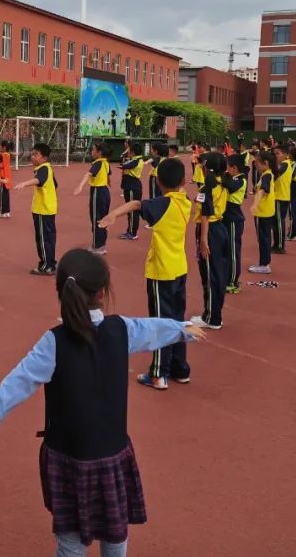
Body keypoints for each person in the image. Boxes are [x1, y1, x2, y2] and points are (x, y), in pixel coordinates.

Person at [0, 248, 205, 557]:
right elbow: (152, 328)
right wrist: (182, 329)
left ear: (59, 292)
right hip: (113, 453)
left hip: (69, 457)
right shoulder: (120, 329)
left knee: (71, 537)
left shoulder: (54, 342)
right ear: (103, 292)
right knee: (116, 528)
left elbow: (20, 379)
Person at [99, 158, 192, 390]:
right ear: (183, 181)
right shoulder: (185, 201)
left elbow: (137, 204)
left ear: (159, 183)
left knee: (160, 322)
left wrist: (113, 215)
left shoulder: (163, 204)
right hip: (180, 268)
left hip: (162, 270)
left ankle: (159, 373)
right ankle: (180, 369)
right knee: (177, 319)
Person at [191, 152, 229, 330]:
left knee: (209, 275)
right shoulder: (223, 183)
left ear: (206, 167)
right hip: (220, 228)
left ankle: (212, 317)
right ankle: (213, 314)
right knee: (217, 273)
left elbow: (206, 215)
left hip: (209, 231)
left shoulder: (207, 188)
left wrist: (203, 241)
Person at [13, 142, 58, 276]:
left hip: (42, 210)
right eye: (32, 154)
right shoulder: (48, 168)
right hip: (48, 209)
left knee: (43, 239)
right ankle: (51, 262)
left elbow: (39, 180)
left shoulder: (43, 169)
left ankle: (46, 266)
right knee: (48, 238)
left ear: (44, 158)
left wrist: (24, 183)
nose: (32, 157)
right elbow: (55, 184)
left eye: (35, 154)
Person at [74, 141, 111, 255]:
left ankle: (97, 246)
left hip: (98, 193)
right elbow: (108, 175)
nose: (92, 151)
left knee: (96, 219)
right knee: (103, 218)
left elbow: (88, 175)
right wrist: (108, 184)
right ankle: (102, 244)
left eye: (93, 149)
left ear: (99, 152)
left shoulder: (98, 163)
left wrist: (80, 186)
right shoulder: (106, 163)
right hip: (105, 192)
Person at [223, 154, 248, 294]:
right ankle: (227, 277)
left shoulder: (241, 180)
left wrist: (223, 175)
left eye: (228, 168)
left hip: (234, 218)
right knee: (227, 249)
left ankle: (232, 281)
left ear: (234, 168)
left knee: (233, 250)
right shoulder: (232, 177)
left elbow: (230, 186)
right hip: (227, 216)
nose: (226, 170)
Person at [249, 151, 278, 275]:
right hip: (266, 212)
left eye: (257, 163)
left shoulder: (267, 176)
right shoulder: (267, 174)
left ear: (265, 163)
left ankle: (265, 264)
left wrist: (255, 204)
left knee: (263, 239)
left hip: (263, 213)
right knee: (263, 238)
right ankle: (263, 263)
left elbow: (263, 191)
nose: (255, 166)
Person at [117, 140, 144, 241]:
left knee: (132, 211)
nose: (128, 152)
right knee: (129, 210)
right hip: (130, 187)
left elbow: (124, 165)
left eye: (129, 150)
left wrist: (123, 163)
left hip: (133, 187)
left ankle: (133, 233)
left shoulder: (136, 161)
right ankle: (130, 231)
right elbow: (123, 163)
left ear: (132, 152)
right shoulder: (134, 159)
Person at [272, 145, 293, 254]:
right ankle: (276, 243)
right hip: (278, 196)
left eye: (278, 153)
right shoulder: (283, 164)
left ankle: (280, 245)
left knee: (279, 222)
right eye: (275, 154)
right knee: (276, 222)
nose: (276, 156)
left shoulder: (285, 164)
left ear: (286, 155)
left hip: (281, 197)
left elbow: (276, 173)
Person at [0, 140, 13, 218]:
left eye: (1, 147)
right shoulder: (8, 154)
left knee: (1, 195)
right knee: (6, 195)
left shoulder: (2, 155)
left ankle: (3, 212)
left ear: (4, 147)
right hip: (7, 177)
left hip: (3, 177)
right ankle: (7, 211)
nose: (0, 148)